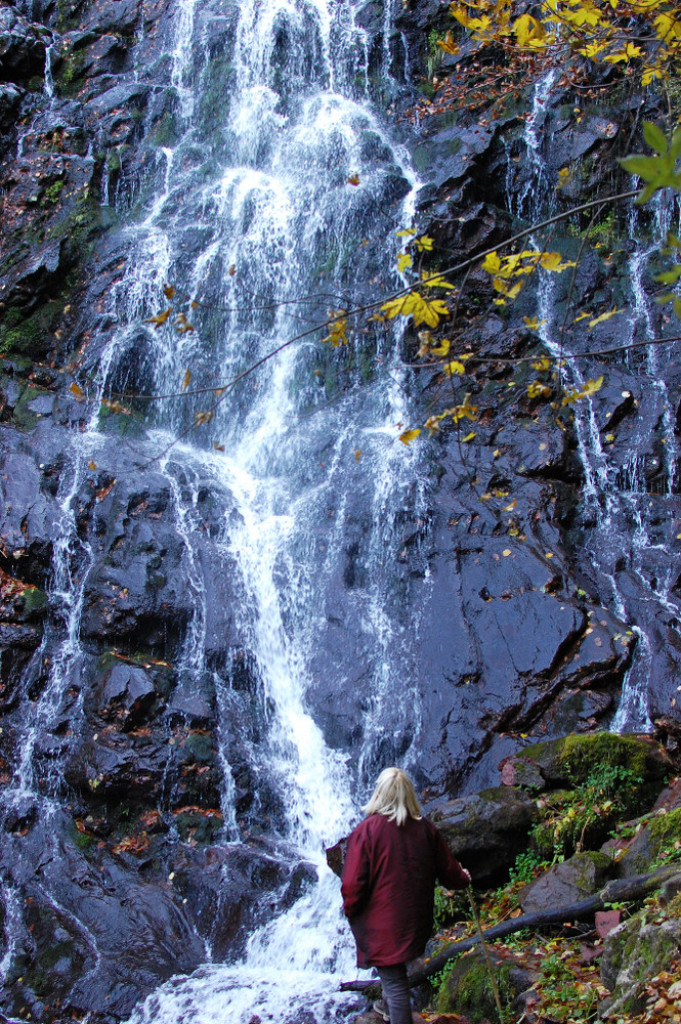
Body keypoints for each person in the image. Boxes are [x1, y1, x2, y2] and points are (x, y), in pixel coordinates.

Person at [341, 767, 471, 1024]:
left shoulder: (366, 832)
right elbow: (448, 871)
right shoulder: (426, 829)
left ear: (379, 794)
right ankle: (387, 1007)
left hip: (383, 925)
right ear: (408, 795)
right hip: (416, 921)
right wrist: (463, 878)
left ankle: (395, 1010)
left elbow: (353, 883)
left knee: (395, 981)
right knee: (395, 969)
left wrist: (351, 909)